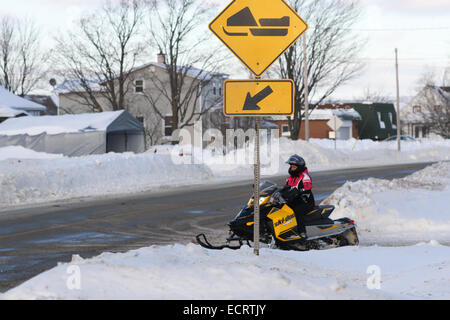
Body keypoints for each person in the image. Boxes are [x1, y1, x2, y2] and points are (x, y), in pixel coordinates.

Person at [279, 154, 315, 238]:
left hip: (305, 201)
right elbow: (285, 188)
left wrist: (300, 191)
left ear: (299, 166)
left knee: (297, 211)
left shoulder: (305, 176)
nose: (292, 168)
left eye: (294, 166)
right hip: (294, 201)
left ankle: (302, 233)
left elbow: (308, 186)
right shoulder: (289, 178)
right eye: (291, 166)